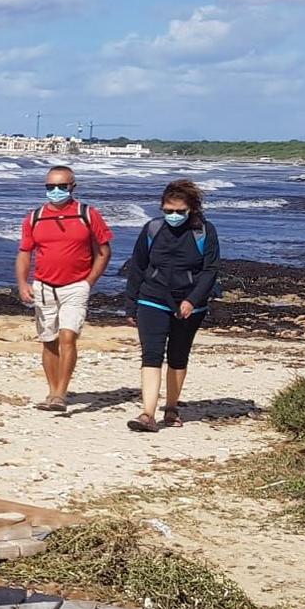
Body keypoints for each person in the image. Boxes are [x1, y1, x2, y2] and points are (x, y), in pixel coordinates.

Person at [122, 178, 220, 432]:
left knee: (178, 356)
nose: (173, 216)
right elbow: (138, 266)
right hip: (152, 299)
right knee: (151, 355)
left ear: (191, 210)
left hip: (190, 305)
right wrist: (130, 304)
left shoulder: (205, 232)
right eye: (168, 211)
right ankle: (147, 414)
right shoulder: (152, 229)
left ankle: (172, 407)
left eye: (179, 212)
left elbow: (210, 271)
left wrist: (192, 300)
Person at [15, 164, 114, 413]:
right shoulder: (34, 217)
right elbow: (25, 253)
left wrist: (89, 282)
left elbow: (104, 252)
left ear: (72, 186)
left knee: (68, 337)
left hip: (75, 287)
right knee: (49, 340)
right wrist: (22, 283)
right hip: (44, 287)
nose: (56, 191)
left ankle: (61, 393)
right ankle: (52, 390)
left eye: (61, 186)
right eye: (51, 186)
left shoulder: (87, 214)